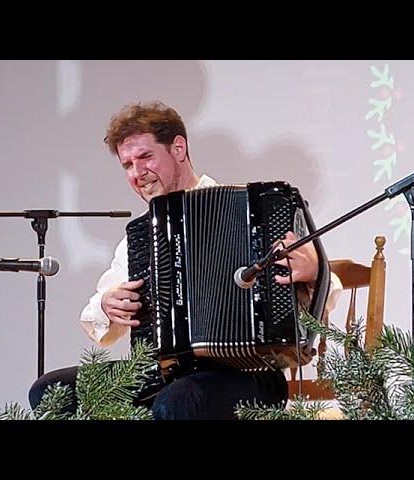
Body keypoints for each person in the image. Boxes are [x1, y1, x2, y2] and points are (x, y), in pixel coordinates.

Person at [29, 101, 342, 419]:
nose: (138, 174)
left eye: (145, 157)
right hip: (164, 372)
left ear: (178, 148)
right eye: (127, 165)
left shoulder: (251, 212)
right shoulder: (141, 235)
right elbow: (97, 312)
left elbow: (330, 289)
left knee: (177, 402)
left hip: (250, 373)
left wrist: (314, 270)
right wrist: (108, 304)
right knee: (49, 391)